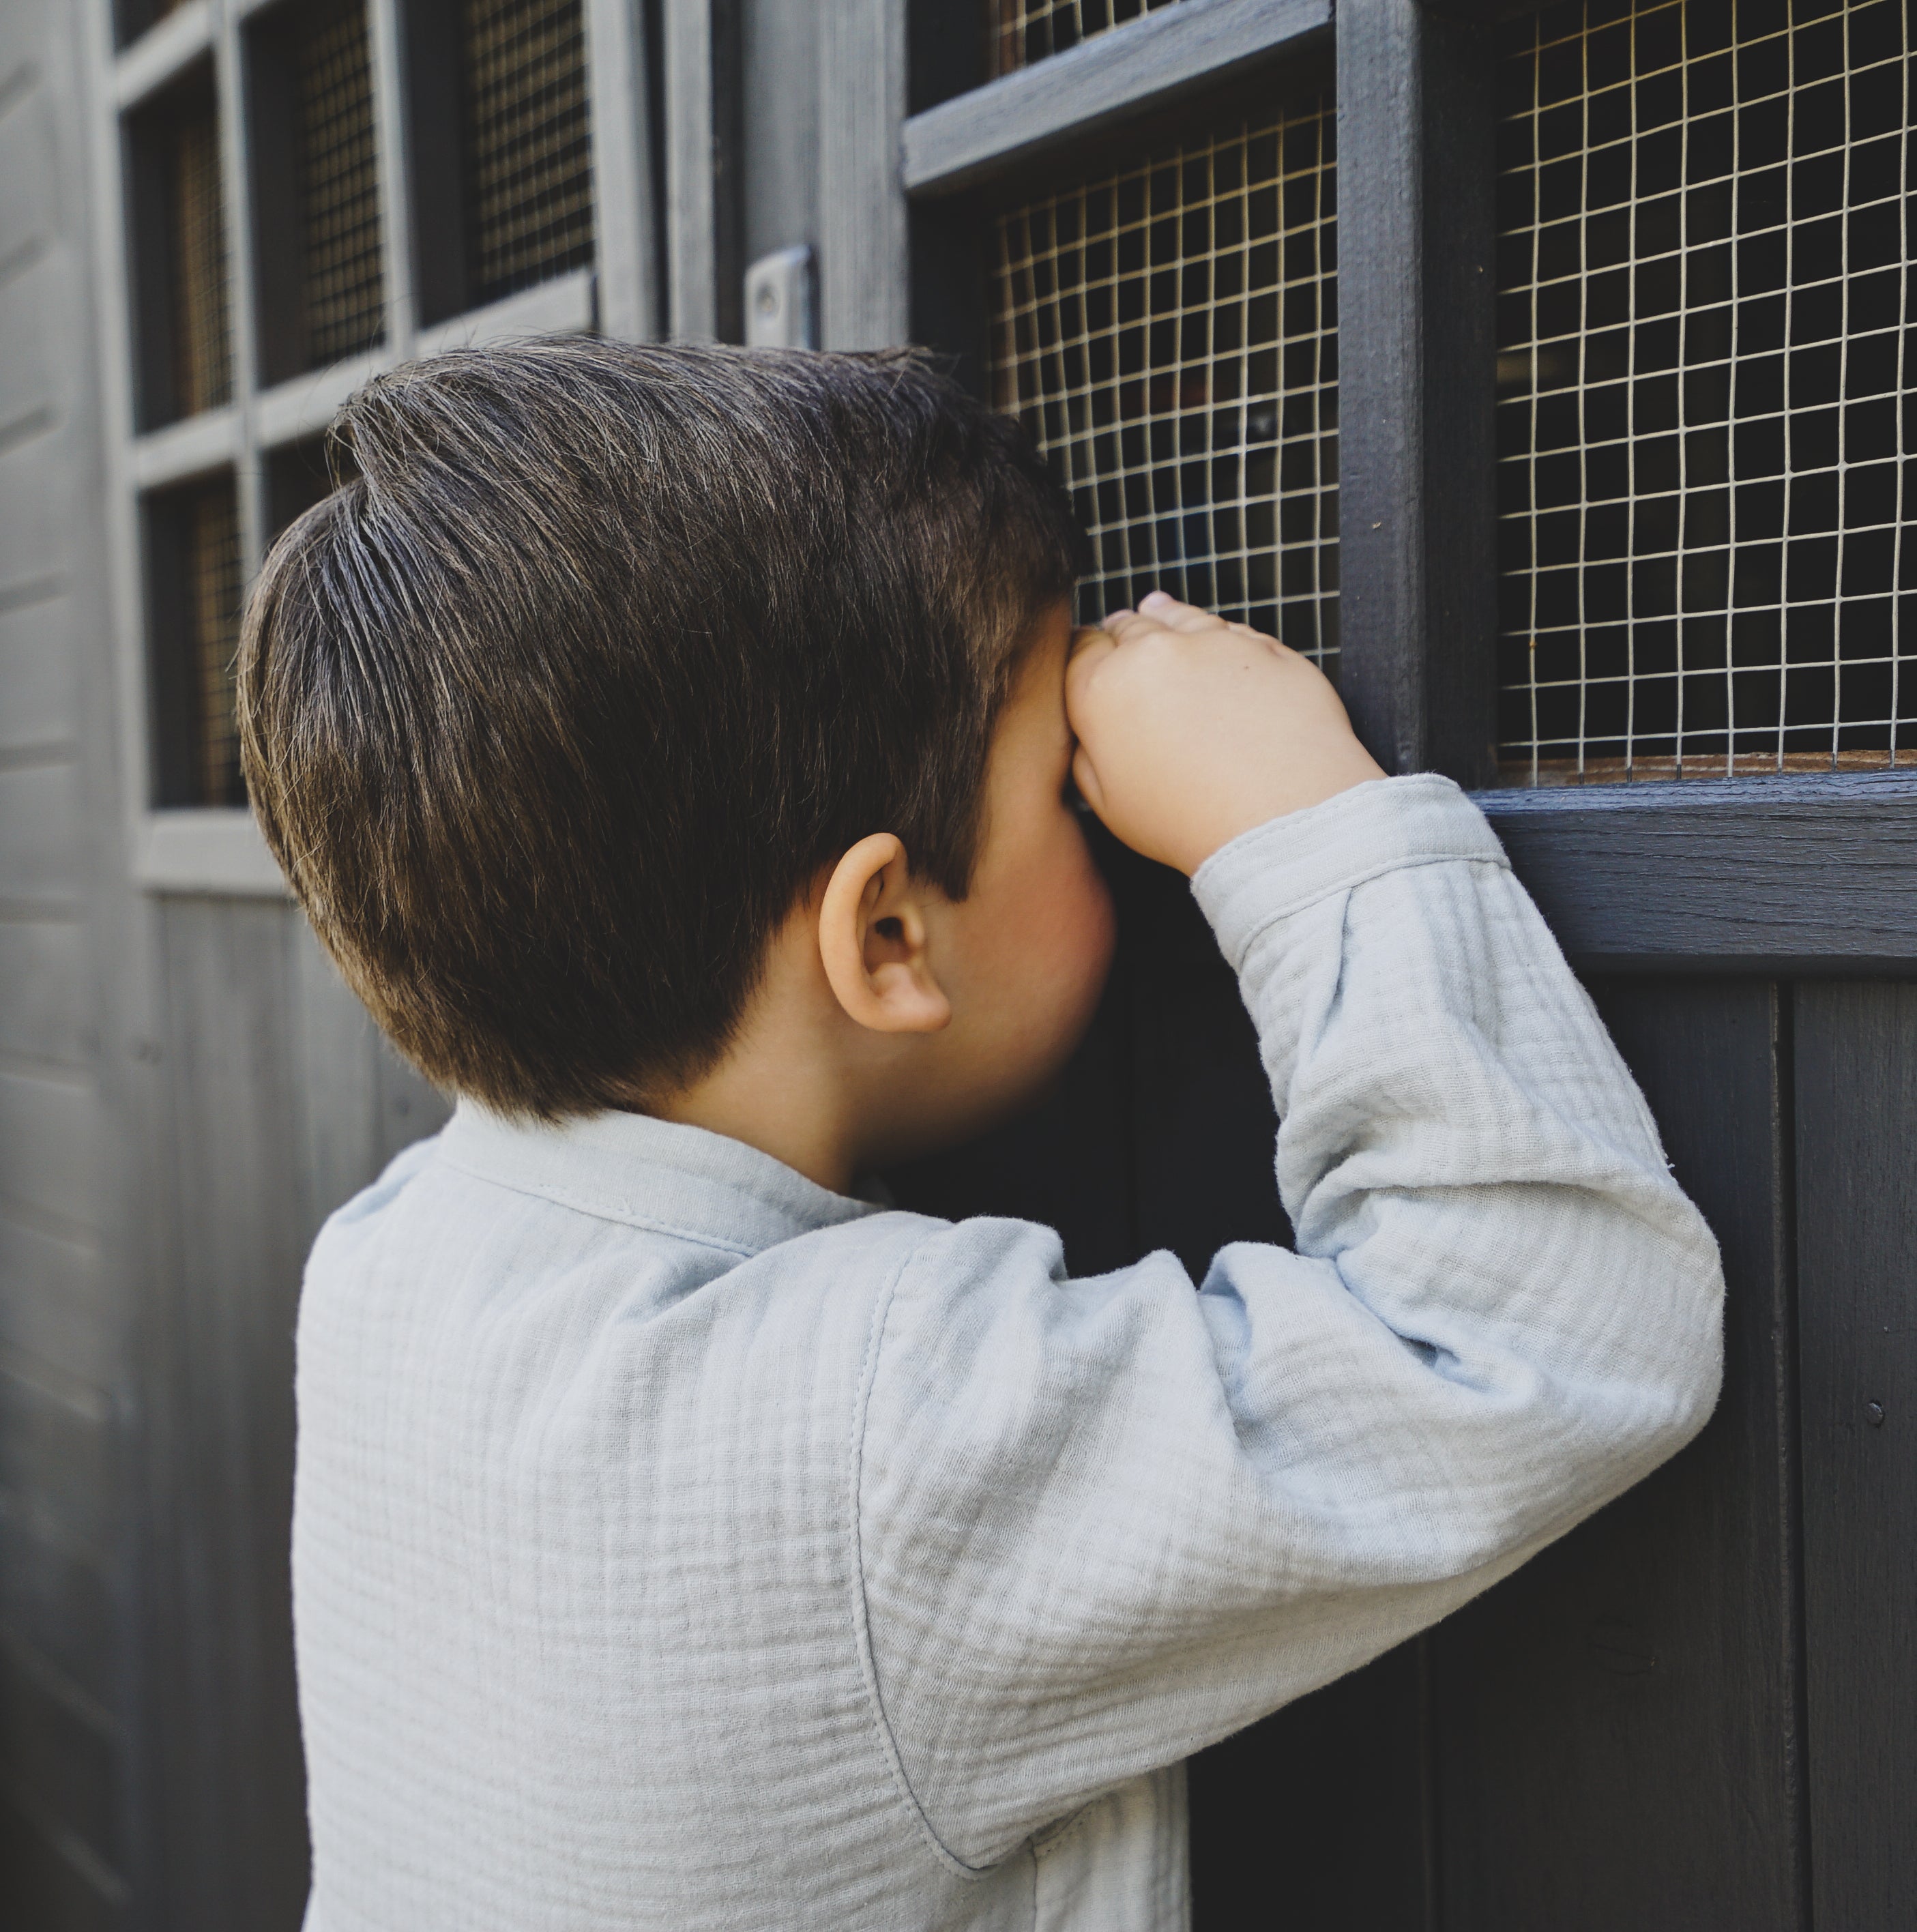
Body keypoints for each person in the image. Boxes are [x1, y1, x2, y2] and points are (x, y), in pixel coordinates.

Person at [240, 338, 1723, 1932]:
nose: (1107, 805)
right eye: (1065, 787)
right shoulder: (886, 1440)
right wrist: (1296, 819)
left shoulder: (386, 1258)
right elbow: (1537, 1331)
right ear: (884, 937)